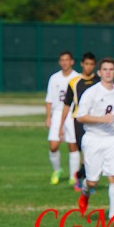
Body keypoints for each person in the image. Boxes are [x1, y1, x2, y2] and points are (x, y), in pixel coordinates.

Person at [76, 58, 114, 220]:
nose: (108, 72)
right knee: (93, 182)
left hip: (112, 140)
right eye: (105, 69)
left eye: (111, 69)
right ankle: (85, 192)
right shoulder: (91, 93)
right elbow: (80, 117)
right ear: (99, 73)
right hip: (93, 139)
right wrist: (102, 119)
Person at [59, 52, 100, 191]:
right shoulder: (74, 82)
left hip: (96, 121)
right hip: (79, 121)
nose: (89, 67)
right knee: (85, 152)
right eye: (86, 64)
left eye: (91, 64)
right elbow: (67, 104)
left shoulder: (99, 82)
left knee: (93, 153)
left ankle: (86, 178)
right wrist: (61, 125)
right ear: (82, 64)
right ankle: (83, 180)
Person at [45, 51, 79, 186]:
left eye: (67, 60)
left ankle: (74, 176)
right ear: (60, 62)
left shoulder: (77, 78)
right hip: (58, 113)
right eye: (62, 60)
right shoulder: (54, 78)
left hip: (71, 114)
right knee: (53, 146)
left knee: (72, 145)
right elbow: (49, 99)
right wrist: (48, 117)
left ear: (72, 61)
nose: (65, 62)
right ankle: (57, 170)